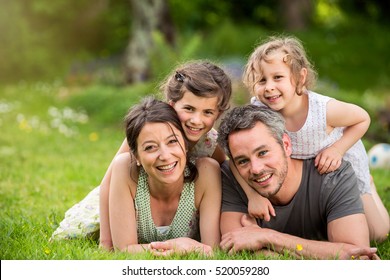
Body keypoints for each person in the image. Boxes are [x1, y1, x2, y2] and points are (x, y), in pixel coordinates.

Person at [50, 60, 232, 250]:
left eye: (207, 112)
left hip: (180, 196)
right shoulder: (149, 129)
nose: (196, 120)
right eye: (189, 109)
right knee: (85, 230)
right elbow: (108, 182)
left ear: (217, 114)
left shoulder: (211, 143)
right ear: (171, 105)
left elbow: (227, 176)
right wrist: (106, 241)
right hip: (125, 193)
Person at [238, 35, 389, 241]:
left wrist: (338, 149)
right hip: (306, 174)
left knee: (378, 233)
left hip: (340, 162)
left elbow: (362, 118)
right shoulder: (259, 110)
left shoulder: (323, 110)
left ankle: (369, 186)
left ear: (300, 78)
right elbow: (235, 156)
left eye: (278, 78)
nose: (269, 87)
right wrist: (253, 195)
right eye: (261, 80)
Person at [217, 104, 379, 260]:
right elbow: (236, 250)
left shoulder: (333, 176)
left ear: (286, 145)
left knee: (379, 231)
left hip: (361, 199)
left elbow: (358, 258)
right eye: (243, 161)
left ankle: (370, 186)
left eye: (263, 152)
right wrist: (324, 253)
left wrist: (267, 237)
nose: (256, 169)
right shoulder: (232, 177)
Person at [108, 97, 221, 255]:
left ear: (186, 145)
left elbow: (212, 250)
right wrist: (178, 246)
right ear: (137, 157)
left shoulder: (206, 173)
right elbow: (123, 250)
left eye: (172, 141)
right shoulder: (125, 169)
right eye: (150, 147)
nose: (165, 156)